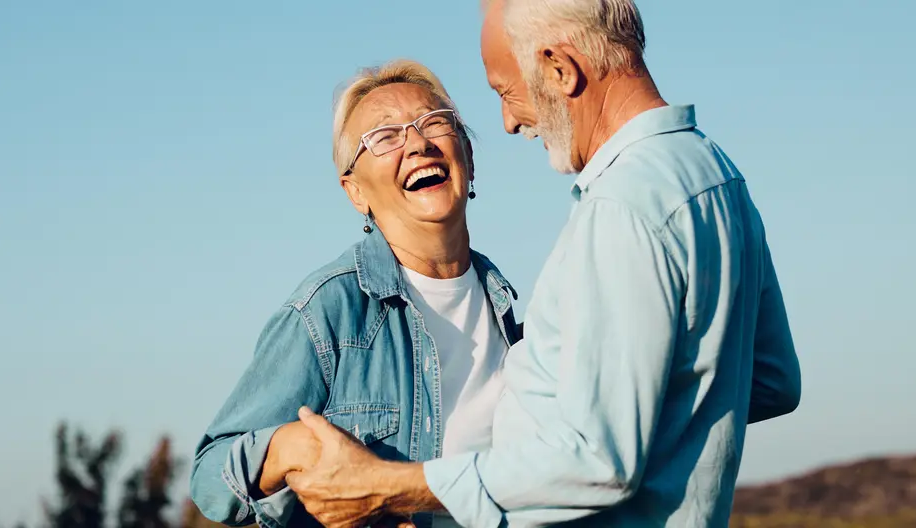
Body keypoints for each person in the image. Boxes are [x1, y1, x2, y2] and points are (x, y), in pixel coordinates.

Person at [282, 0, 804, 527]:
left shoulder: (621, 208)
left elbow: (598, 461)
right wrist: (643, 419)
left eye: (505, 91)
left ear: (560, 69)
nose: (508, 122)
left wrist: (389, 486)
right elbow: (771, 379)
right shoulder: (716, 174)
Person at [188, 60, 524, 528]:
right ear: (354, 191)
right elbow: (210, 474)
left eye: (434, 122)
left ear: (467, 154)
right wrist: (293, 446)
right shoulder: (327, 309)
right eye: (385, 138)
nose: (418, 143)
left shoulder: (509, 311)